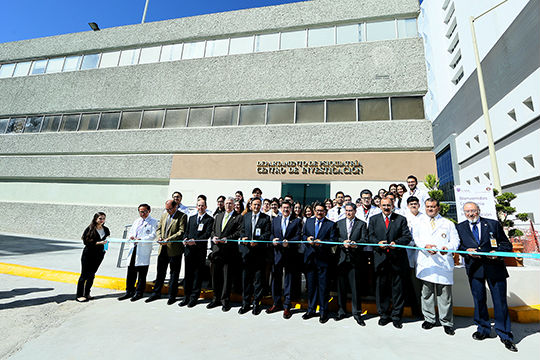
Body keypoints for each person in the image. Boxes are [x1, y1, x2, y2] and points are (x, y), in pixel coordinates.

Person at [456, 202, 517, 352]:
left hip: (495, 268)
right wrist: (466, 250)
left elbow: (506, 245)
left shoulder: (493, 224)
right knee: (479, 299)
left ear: (479, 210)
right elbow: (458, 246)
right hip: (475, 269)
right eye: (467, 211)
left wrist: (497, 253)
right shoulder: (460, 227)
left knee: (500, 301)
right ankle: (483, 328)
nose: (470, 214)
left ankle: (505, 334)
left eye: (473, 211)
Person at [414, 198, 460, 336]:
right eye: (428, 207)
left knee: (444, 295)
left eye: (433, 207)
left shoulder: (448, 223)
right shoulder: (419, 222)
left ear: (438, 208)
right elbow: (416, 238)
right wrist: (425, 247)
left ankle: (446, 322)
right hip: (426, 261)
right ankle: (429, 319)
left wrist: (448, 248)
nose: (430, 209)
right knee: (427, 293)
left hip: (443, 262)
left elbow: (455, 240)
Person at [367, 197, 412, 328]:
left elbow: (407, 236)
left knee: (397, 290)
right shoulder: (373, 219)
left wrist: (396, 244)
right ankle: (384, 315)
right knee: (381, 288)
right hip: (381, 260)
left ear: (393, 205)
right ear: (380, 206)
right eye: (384, 205)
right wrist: (377, 243)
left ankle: (397, 316)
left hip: (397, 260)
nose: (386, 207)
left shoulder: (401, 219)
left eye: (388, 205)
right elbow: (370, 236)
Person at [145, 200, 187, 305]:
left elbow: (181, 231)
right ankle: (156, 293)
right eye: (166, 209)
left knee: (174, 273)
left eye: (170, 209)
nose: (168, 211)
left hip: (174, 249)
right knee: (160, 272)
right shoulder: (164, 215)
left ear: (176, 207)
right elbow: (159, 228)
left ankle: (172, 295)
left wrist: (169, 239)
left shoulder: (182, 216)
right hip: (162, 249)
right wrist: (159, 237)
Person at [267, 200, 302, 319]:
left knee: (288, 281)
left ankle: (287, 305)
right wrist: (273, 240)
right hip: (277, 254)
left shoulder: (296, 221)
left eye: (288, 208)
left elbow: (298, 236)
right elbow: (271, 234)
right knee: (275, 279)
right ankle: (276, 303)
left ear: (291, 209)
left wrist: (290, 243)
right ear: (281, 208)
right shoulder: (275, 220)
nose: (286, 210)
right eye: (284, 208)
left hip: (290, 255)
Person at [335, 202, 368, 326]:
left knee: (355, 288)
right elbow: (335, 238)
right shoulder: (339, 223)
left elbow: (365, 240)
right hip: (341, 259)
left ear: (355, 211)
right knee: (341, 287)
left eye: (351, 211)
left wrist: (356, 244)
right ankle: (341, 311)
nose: (348, 213)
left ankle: (357, 313)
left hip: (355, 260)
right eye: (347, 210)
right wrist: (342, 242)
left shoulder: (362, 224)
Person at [302, 203, 335, 324]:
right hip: (310, 259)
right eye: (317, 210)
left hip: (323, 260)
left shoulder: (330, 224)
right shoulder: (309, 222)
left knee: (323, 287)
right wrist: (307, 239)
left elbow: (333, 241)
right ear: (314, 211)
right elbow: (304, 234)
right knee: (311, 287)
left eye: (321, 211)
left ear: (325, 212)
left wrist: (322, 242)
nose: (319, 212)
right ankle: (310, 310)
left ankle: (323, 312)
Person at [208, 197, 243, 312]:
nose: (228, 205)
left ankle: (225, 300)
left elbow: (238, 232)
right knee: (216, 277)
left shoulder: (238, 218)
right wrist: (214, 237)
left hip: (229, 253)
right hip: (217, 251)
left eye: (230, 203)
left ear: (234, 205)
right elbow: (213, 230)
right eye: (227, 203)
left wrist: (227, 239)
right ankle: (215, 298)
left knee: (227, 278)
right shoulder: (218, 216)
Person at [118, 204, 157, 302]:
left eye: (144, 211)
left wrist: (141, 239)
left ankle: (139, 292)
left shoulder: (153, 222)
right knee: (131, 272)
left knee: (142, 273)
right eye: (140, 211)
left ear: (149, 211)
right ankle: (129, 291)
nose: (142, 214)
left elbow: (153, 235)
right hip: (134, 247)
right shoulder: (137, 221)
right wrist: (131, 237)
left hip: (143, 249)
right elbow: (131, 232)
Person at [238, 197, 271, 315]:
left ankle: (256, 303)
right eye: (254, 205)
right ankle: (245, 303)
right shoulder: (245, 217)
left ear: (261, 206)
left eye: (258, 205)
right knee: (246, 280)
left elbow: (267, 233)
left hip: (259, 254)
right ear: (251, 205)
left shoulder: (265, 218)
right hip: (247, 253)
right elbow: (241, 231)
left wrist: (257, 241)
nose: (256, 207)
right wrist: (243, 238)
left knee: (258, 280)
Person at [181, 198, 214, 308]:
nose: (200, 207)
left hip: (199, 251)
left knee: (197, 275)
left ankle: (194, 298)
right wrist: (185, 238)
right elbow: (186, 231)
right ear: (196, 207)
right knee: (188, 275)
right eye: (198, 205)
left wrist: (195, 241)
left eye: (202, 205)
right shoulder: (192, 218)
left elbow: (207, 234)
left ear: (205, 207)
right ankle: (186, 297)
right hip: (189, 251)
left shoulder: (209, 220)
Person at [76, 212, 110, 302]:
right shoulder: (90, 229)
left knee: (92, 275)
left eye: (103, 218)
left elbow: (107, 239)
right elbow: (86, 242)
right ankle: (79, 295)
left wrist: (106, 244)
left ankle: (87, 293)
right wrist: (99, 243)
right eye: (100, 218)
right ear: (95, 219)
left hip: (99, 254)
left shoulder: (105, 229)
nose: (102, 220)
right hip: (88, 254)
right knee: (84, 274)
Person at [403, 196, 425, 317]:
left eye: (415, 203)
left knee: (420, 285)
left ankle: (421, 310)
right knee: (410, 284)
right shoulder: (404, 217)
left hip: (421, 253)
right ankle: (414, 310)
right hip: (407, 253)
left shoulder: (424, 217)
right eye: (411, 204)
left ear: (419, 205)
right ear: (407, 205)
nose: (413, 205)